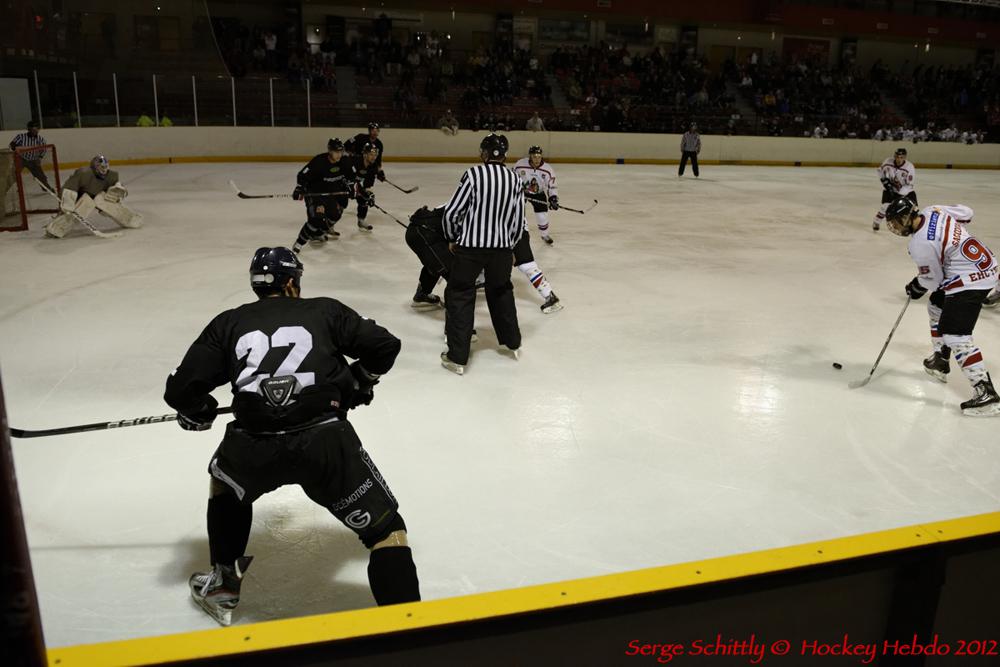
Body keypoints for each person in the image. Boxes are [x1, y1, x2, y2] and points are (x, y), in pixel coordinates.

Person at [164, 247, 420, 626]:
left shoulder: (229, 323)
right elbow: (384, 346)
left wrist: (197, 411)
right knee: (386, 532)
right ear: (291, 283)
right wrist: (358, 381)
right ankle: (413, 632)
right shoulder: (325, 311)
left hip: (253, 444)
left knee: (225, 484)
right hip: (324, 442)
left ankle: (222, 586)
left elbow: (182, 390)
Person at [885, 197, 999, 416]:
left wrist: (917, 285)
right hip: (987, 266)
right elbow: (966, 212)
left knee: (955, 334)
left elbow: (933, 281)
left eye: (897, 222)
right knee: (936, 305)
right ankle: (940, 359)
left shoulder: (920, 244)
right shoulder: (934, 210)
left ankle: (986, 394)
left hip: (970, 280)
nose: (895, 228)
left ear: (906, 217)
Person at [440, 134, 524, 374]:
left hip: (471, 249)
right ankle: (512, 343)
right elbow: (518, 221)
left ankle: (457, 357)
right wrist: (511, 245)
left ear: (484, 153)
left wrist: (452, 237)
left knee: (460, 295)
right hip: (502, 250)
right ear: (505, 154)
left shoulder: (474, 175)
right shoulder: (514, 179)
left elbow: (452, 212)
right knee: (501, 292)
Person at [44, 155, 141, 238]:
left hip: (97, 197)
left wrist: (118, 189)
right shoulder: (83, 173)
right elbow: (69, 187)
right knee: (86, 203)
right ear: (94, 167)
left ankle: (129, 218)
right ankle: (55, 228)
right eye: (101, 167)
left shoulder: (112, 175)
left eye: (106, 167)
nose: (104, 170)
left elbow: (114, 191)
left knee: (101, 199)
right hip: (80, 200)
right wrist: (68, 200)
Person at [291, 138, 355, 252]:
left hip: (330, 194)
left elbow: (351, 176)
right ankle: (299, 243)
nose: (339, 154)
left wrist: (350, 186)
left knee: (335, 215)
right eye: (336, 152)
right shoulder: (319, 161)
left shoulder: (345, 161)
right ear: (330, 151)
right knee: (316, 220)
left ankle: (318, 234)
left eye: (341, 151)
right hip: (315, 194)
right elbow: (302, 175)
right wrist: (299, 188)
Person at [405, 205, 452, 307]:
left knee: (435, 262)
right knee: (451, 270)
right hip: (424, 232)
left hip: (422, 230)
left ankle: (422, 293)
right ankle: (454, 305)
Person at [513, 145, 558, 244]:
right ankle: (514, 232)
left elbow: (552, 186)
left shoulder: (547, 169)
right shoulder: (520, 164)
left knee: (542, 216)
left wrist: (553, 198)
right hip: (522, 192)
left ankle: (544, 235)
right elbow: (512, 178)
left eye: (539, 157)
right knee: (516, 212)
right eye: (534, 157)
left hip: (538, 193)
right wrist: (513, 191)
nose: (537, 159)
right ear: (530, 156)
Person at [872, 147, 917, 232]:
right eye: (897, 157)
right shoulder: (888, 162)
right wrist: (885, 182)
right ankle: (876, 222)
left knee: (913, 209)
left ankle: (913, 226)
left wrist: (900, 194)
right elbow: (880, 171)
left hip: (906, 191)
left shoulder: (909, 167)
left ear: (905, 157)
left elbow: (909, 185)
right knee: (885, 207)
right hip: (891, 189)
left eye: (901, 157)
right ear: (894, 156)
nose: (899, 159)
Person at [8, 120, 50, 189]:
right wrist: (17, 148)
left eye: (37, 129)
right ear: (29, 129)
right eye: (33, 129)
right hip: (21, 159)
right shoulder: (21, 137)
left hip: (33, 160)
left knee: (41, 176)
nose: (35, 131)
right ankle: (4, 189)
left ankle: (46, 188)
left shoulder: (40, 139)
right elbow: (12, 145)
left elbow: (44, 149)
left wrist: (40, 157)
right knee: (13, 175)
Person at [350, 142, 380, 232]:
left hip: (356, 185)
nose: (373, 157)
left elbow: (368, 185)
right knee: (341, 202)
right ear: (365, 154)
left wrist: (369, 195)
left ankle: (361, 220)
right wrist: (362, 191)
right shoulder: (355, 162)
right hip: (344, 184)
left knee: (365, 198)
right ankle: (329, 224)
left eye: (375, 155)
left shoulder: (373, 166)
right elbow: (351, 180)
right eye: (371, 154)